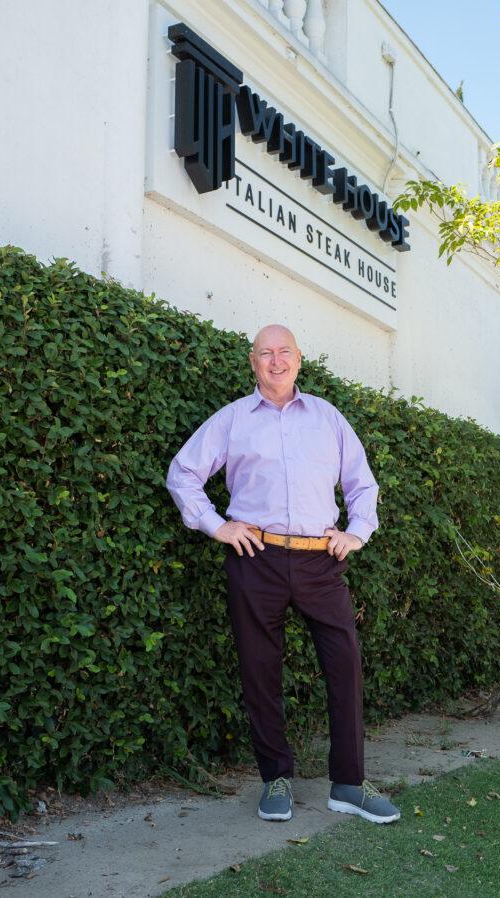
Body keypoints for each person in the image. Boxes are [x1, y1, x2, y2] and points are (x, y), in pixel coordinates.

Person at [166, 324, 400, 825]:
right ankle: (275, 778)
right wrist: (217, 525)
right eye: (266, 353)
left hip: (321, 560)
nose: (276, 360)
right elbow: (182, 472)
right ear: (253, 362)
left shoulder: (328, 418)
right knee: (259, 671)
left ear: (300, 358)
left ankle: (349, 785)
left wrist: (355, 534)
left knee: (345, 665)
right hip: (257, 558)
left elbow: (362, 486)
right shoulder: (232, 421)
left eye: (285, 351)